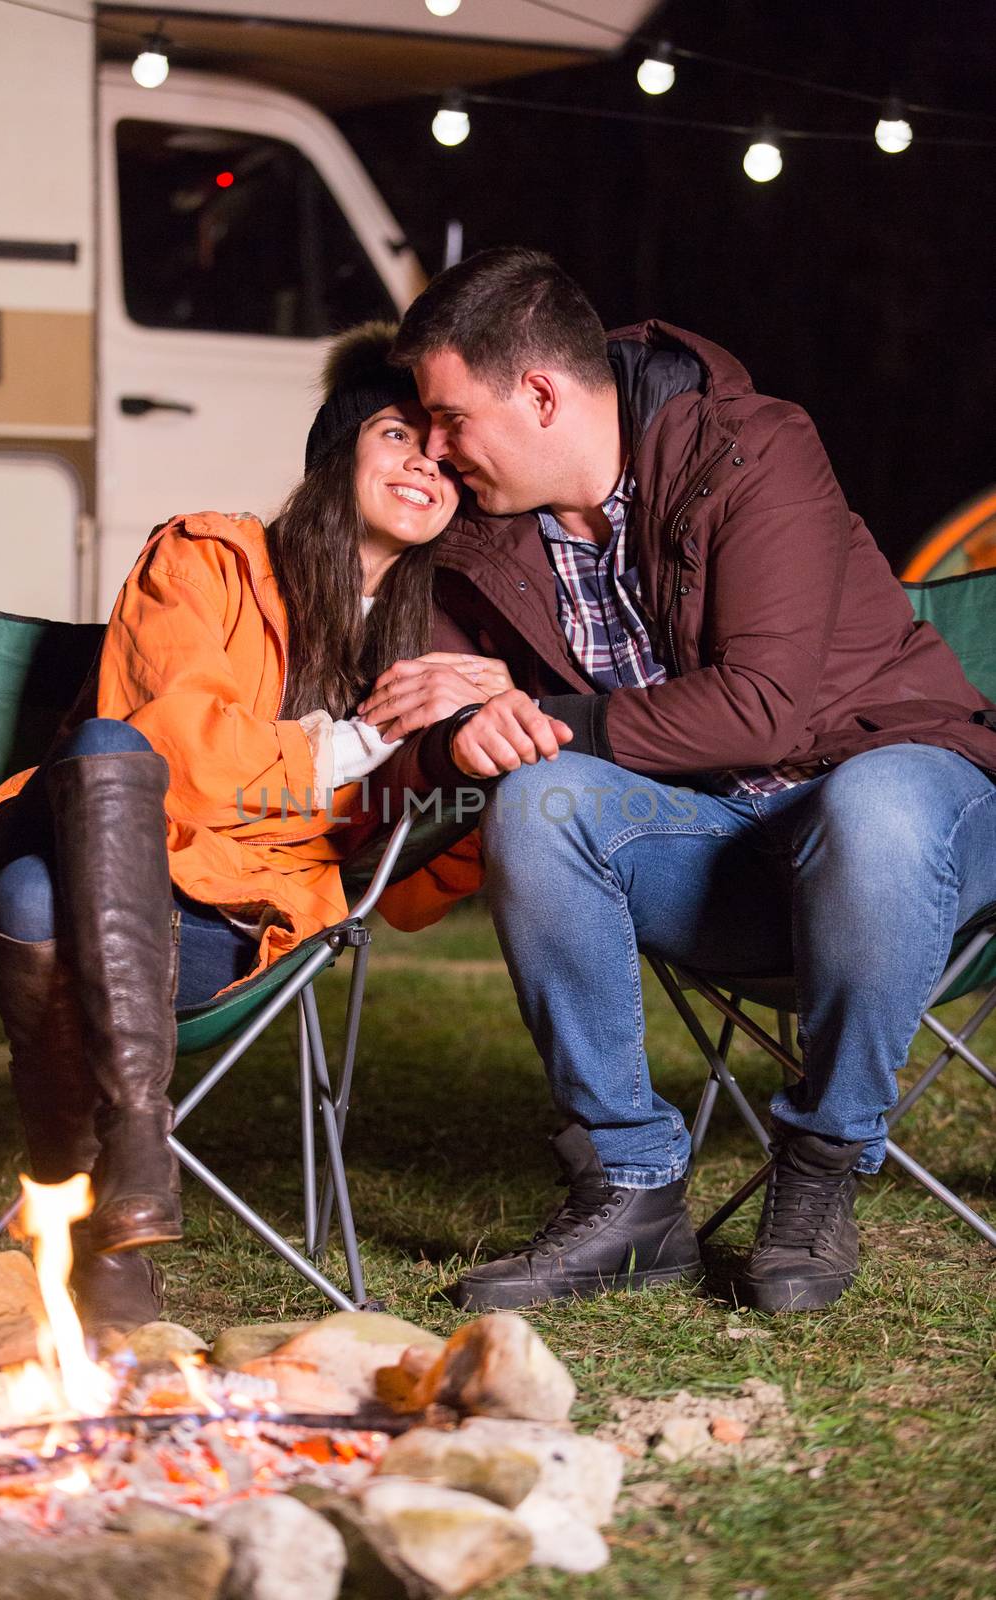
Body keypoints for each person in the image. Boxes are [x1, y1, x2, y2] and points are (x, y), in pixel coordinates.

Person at [359, 247, 996, 1314]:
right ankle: (630, 1189)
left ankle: (818, 1168)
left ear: (540, 393)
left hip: (913, 815)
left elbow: (762, 708)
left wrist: (536, 718)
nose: (433, 447)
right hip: (725, 859)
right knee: (539, 799)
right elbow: (426, 718)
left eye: (448, 417)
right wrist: (463, 733)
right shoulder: (478, 537)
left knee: (871, 805)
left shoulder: (750, 449)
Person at [0, 323, 547, 1340]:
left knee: (36, 902)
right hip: (84, 848)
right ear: (339, 446)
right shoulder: (206, 557)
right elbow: (165, 744)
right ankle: (135, 1153)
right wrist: (341, 749)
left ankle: (89, 1206)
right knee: (86, 778)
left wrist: (471, 733)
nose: (421, 466)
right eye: (397, 434)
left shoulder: (430, 648)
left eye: (443, 462)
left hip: (223, 925)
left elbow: (401, 891)